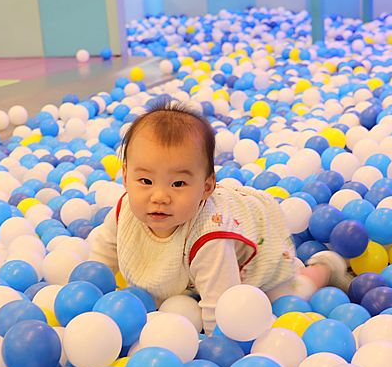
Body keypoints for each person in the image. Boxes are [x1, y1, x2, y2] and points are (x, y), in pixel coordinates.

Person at [89, 98, 353, 334]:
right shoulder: (126, 212)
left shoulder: (210, 240)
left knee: (290, 295)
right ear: (125, 178)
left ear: (206, 187)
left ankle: (323, 269)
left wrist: (214, 346)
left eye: (178, 184)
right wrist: (90, 298)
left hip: (248, 265)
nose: (159, 196)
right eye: (145, 180)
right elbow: (103, 256)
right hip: (189, 283)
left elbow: (223, 306)